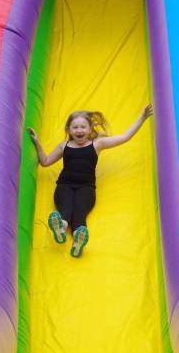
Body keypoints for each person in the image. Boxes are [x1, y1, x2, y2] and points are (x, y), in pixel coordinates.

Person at [28, 104, 153, 257]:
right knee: (66, 207)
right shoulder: (64, 146)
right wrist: (37, 143)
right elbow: (46, 161)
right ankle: (61, 227)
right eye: (75, 127)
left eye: (83, 127)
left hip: (86, 188)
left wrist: (142, 117)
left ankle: (77, 240)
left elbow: (125, 137)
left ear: (89, 129)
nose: (79, 130)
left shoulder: (97, 144)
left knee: (79, 211)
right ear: (68, 129)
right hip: (64, 186)